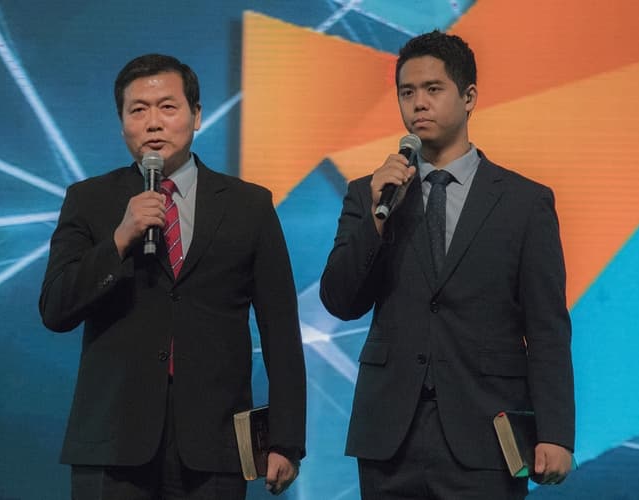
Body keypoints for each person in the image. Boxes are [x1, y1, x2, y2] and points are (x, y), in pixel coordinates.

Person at [319, 31, 574, 499]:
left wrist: (555, 431)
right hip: (388, 435)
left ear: (469, 96)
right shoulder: (371, 192)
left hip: (486, 434)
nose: (419, 104)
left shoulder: (524, 202)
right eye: (407, 92)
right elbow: (340, 301)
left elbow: (547, 327)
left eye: (433, 89)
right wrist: (375, 223)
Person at [39, 53, 306, 499]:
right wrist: (119, 241)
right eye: (137, 110)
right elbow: (55, 308)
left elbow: (280, 328)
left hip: (215, 444)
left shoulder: (249, 205)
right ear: (121, 122)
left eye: (168, 107)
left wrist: (286, 440)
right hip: (113, 441)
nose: (153, 123)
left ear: (196, 115)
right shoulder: (89, 201)